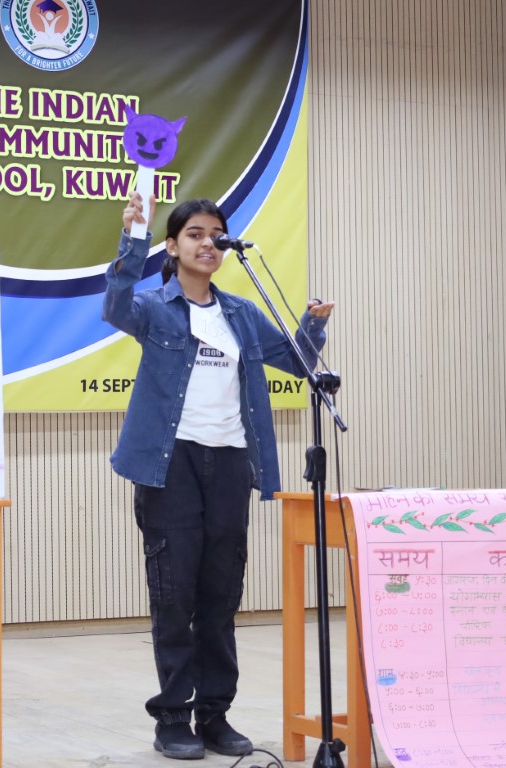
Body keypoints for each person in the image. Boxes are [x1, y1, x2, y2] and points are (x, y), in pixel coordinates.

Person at [103, 192, 334, 760]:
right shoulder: (155, 307)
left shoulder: (241, 314)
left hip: (230, 462)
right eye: (194, 234)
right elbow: (115, 305)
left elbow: (297, 359)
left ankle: (214, 715)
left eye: (215, 235)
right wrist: (131, 239)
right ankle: (172, 718)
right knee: (174, 595)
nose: (207, 243)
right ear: (172, 246)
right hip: (171, 465)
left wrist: (313, 322)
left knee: (220, 595)